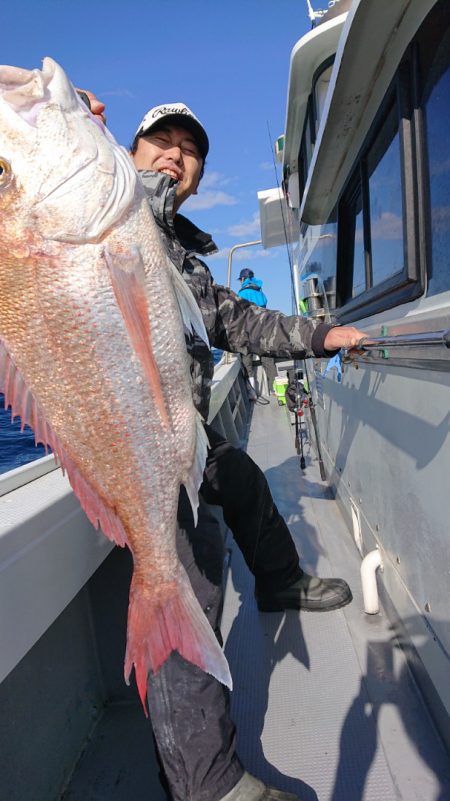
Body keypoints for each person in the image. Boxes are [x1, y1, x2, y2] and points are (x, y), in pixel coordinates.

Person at [80, 91, 366, 801]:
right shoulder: (105, 214)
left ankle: (279, 578)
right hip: (138, 449)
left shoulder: (190, 259)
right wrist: (86, 138)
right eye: (160, 140)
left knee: (241, 474)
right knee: (185, 582)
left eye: (191, 147)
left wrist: (320, 335)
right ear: (129, 151)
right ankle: (206, 784)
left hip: (189, 436)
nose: (176, 153)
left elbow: (242, 323)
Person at [237, 267, 277, 398]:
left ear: (243, 279)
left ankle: (252, 392)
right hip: (263, 331)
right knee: (268, 361)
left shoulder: (242, 293)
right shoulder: (261, 293)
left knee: (246, 361)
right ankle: (275, 390)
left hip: (248, 332)